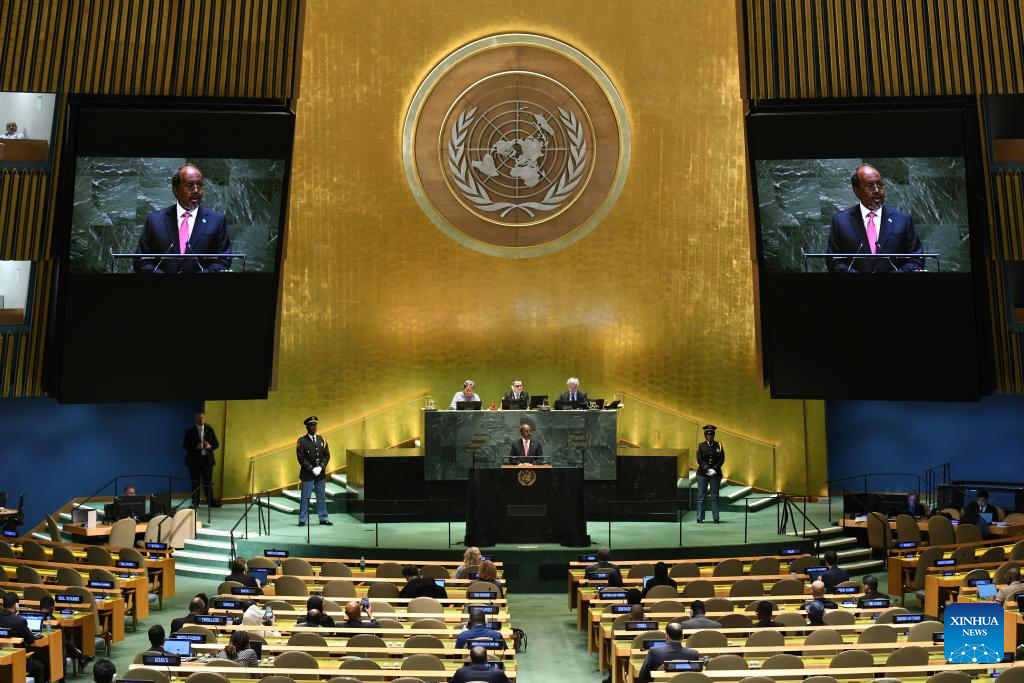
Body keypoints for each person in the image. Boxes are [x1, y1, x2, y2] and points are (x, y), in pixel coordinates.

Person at [135, 163, 232, 273]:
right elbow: (141, 260)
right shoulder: (155, 220)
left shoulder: (217, 220)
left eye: (200, 185)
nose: (196, 190)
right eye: (190, 185)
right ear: (175, 190)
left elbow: (224, 260)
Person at [826, 164, 923, 273]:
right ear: (856, 190)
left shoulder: (903, 220)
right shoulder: (841, 221)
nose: (877, 190)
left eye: (880, 185)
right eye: (870, 185)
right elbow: (833, 260)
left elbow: (917, 259)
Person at [0, 592, 47, 683]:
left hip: (3, 657)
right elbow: (32, 641)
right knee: (40, 667)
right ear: (16, 605)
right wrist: (29, 630)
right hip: (18, 659)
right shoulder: (20, 621)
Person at [38, 594, 92, 670]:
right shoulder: (54, 622)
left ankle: (80, 657)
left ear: (40, 607)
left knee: (65, 640)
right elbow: (62, 645)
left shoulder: (32, 617)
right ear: (52, 608)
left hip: (36, 652)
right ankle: (80, 657)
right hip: (51, 654)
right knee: (64, 640)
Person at [296, 416, 332, 527]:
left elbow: (326, 455)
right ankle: (302, 519)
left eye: (315, 425)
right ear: (307, 427)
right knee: (305, 497)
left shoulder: (322, 439)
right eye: (311, 426)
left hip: (320, 474)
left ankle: (323, 518)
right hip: (308, 474)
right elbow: (301, 458)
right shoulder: (302, 441)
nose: (314, 427)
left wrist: (320, 467)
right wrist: (312, 469)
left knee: (321, 497)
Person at [636, 622, 700, 683]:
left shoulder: (654, 652)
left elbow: (643, 676)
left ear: (666, 637)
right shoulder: (693, 654)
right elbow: (695, 677)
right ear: (682, 636)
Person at [183, 411, 221, 508]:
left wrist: (209, 446)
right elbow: (185, 445)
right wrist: (195, 446)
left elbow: (216, 444)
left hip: (207, 461)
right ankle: (195, 502)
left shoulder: (210, 430)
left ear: (205, 418)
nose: (201, 419)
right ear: (195, 419)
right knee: (195, 482)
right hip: (194, 461)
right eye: (199, 418)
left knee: (208, 482)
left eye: (202, 418)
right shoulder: (189, 431)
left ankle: (211, 502)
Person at [695, 425, 725, 524]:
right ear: (705, 435)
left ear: (713, 435)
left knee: (715, 496)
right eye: (708, 435)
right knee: (701, 496)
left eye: (711, 434)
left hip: (715, 474)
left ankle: (716, 517)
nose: (710, 436)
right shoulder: (701, 445)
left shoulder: (719, 445)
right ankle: (700, 517)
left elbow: (721, 459)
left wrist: (714, 469)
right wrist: (708, 469)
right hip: (702, 474)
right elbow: (699, 459)